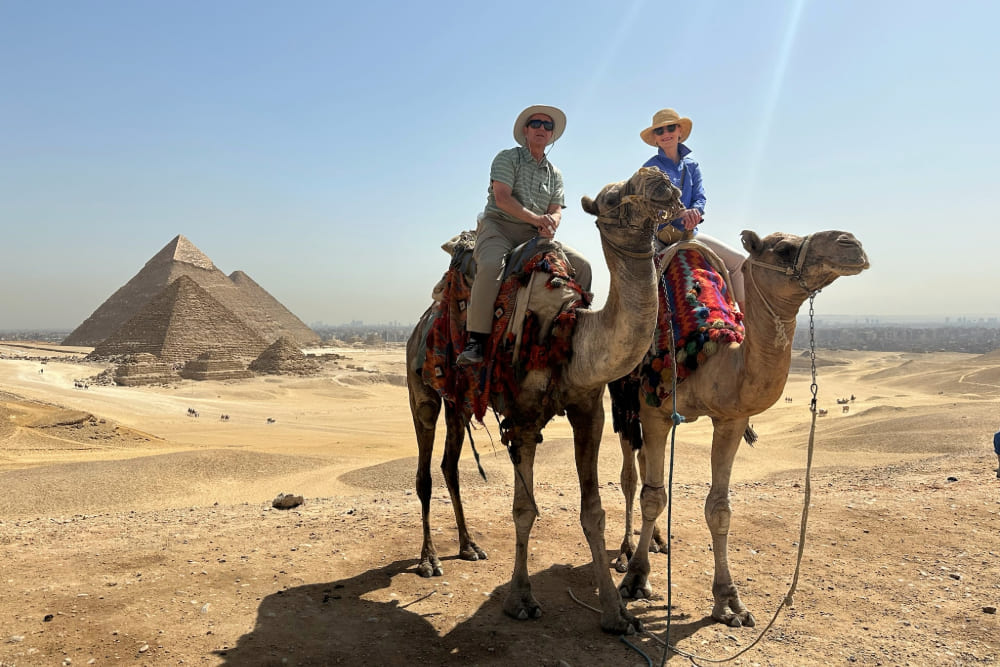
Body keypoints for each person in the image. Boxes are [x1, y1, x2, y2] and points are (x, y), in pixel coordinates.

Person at [457, 105, 592, 365]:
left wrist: (552, 221)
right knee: (490, 266)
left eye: (547, 126)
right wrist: (537, 219)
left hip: (535, 236)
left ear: (552, 135)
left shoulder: (556, 174)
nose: (542, 129)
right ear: (526, 130)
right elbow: (502, 199)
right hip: (500, 227)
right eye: (536, 124)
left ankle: (575, 334)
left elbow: (556, 209)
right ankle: (477, 340)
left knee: (583, 267)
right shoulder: (507, 158)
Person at [640, 108, 746, 308]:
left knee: (740, 262)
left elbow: (700, 197)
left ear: (679, 130)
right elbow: (652, 207)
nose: (666, 134)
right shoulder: (649, 170)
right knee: (640, 281)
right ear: (654, 138)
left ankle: (747, 326)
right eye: (660, 131)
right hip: (659, 238)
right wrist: (680, 213)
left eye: (670, 127)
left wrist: (696, 212)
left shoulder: (692, 166)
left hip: (690, 234)